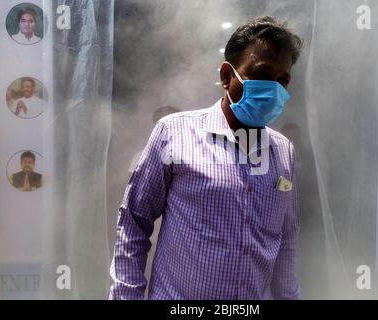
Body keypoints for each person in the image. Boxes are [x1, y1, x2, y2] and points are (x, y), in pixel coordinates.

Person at [109, 16, 303, 300]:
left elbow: (286, 240)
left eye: (282, 81)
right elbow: (134, 222)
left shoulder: (283, 150)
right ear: (227, 76)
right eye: (261, 75)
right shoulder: (173, 133)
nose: (273, 89)